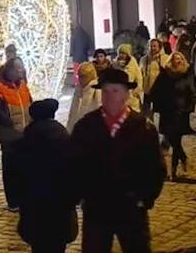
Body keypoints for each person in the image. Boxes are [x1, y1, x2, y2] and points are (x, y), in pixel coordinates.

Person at [68, 67, 167, 253]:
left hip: (131, 208)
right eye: (105, 91)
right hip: (97, 208)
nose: (109, 96)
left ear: (126, 94)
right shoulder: (87, 126)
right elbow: (74, 164)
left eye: (115, 91)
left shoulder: (143, 127)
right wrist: (81, 195)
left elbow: (155, 167)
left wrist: (145, 198)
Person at [16, 99, 77, 253]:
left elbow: (16, 176)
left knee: (39, 245)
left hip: (34, 206)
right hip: (60, 207)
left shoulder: (25, 140)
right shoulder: (64, 138)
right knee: (57, 245)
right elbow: (74, 172)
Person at [0, 56, 32, 212]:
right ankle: (13, 201)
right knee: (10, 169)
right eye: (17, 68)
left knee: (23, 168)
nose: (21, 71)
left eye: (21, 67)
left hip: (24, 133)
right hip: (9, 135)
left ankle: (24, 197)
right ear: (9, 71)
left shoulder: (23, 86)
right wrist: (10, 123)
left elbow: (30, 104)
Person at [150, 51, 196, 179]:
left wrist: (190, 108)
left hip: (181, 112)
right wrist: (158, 104)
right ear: (171, 61)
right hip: (167, 111)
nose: (179, 61)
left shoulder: (187, 74)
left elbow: (192, 92)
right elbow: (154, 91)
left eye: (180, 59)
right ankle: (184, 158)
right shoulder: (165, 74)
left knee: (176, 139)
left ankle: (173, 171)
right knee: (171, 138)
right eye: (176, 59)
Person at [141, 39, 170, 118]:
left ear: (159, 47)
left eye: (154, 46)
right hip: (148, 90)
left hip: (160, 90)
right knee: (147, 112)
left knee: (161, 112)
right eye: (150, 46)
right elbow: (141, 74)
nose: (152, 48)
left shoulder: (166, 58)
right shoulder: (144, 59)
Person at [68, 62, 102, 129]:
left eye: (83, 76)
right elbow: (72, 112)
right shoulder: (78, 89)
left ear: (91, 76)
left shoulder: (98, 90)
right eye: (79, 76)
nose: (80, 79)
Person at [116, 45, 146, 112]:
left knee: (134, 114)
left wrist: (137, 89)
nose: (121, 55)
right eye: (120, 53)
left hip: (132, 94)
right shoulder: (115, 65)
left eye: (123, 53)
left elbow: (139, 77)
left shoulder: (133, 63)